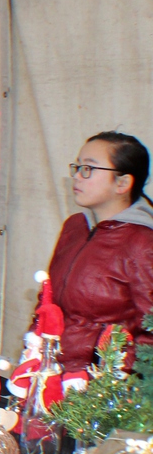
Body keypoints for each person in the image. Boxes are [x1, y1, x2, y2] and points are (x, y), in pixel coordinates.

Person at [46, 131, 153, 370]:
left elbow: (150, 333)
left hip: (99, 391)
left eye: (89, 169)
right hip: (53, 372)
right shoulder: (74, 227)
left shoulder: (142, 242)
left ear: (123, 183)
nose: (77, 177)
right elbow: (47, 301)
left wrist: (111, 385)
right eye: (77, 166)